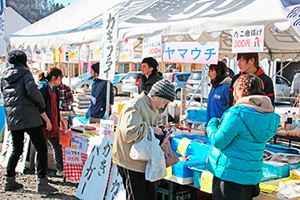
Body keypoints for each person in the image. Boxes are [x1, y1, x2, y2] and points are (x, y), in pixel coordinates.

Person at [206, 75, 280, 200]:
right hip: (251, 178)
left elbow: (218, 141)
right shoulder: (268, 116)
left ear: (240, 91)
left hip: (230, 177)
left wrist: (212, 124)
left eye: (234, 91)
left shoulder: (236, 114)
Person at [0, 50, 57, 193]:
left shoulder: (4, 77)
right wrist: (41, 105)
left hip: (13, 118)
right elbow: (32, 91)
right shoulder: (25, 73)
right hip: (29, 116)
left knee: (16, 149)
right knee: (41, 148)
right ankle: (42, 182)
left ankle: (9, 180)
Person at [112, 80, 175, 200]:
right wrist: (151, 129)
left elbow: (157, 124)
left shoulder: (152, 107)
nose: (163, 106)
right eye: (164, 102)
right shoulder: (136, 105)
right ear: (156, 95)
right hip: (129, 161)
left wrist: (162, 131)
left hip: (143, 160)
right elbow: (129, 133)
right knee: (137, 196)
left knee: (147, 196)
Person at [38, 67, 67, 177]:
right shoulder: (42, 88)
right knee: (41, 149)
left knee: (57, 146)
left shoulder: (55, 89)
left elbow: (56, 106)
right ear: (54, 77)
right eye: (60, 77)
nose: (61, 80)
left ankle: (60, 169)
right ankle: (41, 173)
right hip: (43, 123)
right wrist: (47, 121)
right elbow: (40, 107)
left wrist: (61, 119)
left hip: (53, 122)